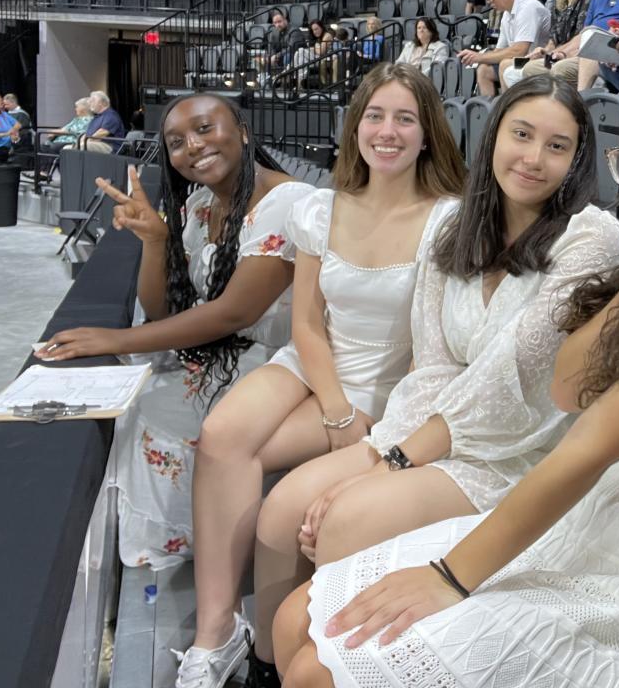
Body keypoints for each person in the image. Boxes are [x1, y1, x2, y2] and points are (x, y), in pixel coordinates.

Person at [275, 58, 619, 688]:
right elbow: (570, 382)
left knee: (322, 653)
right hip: (585, 495)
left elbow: (567, 423)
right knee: (293, 616)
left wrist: (447, 571)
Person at [252, 77, 619, 679]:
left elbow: (514, 375)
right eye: (522, 134)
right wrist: (391, 449)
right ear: (494, 136)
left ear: (577, 159)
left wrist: (393, 463)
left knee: (347, 516)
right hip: (438, 432)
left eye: (557, 146)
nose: (533, 158)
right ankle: (270, 665)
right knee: (283, 509)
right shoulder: (456, 230)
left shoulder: (591, 236)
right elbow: (432, 367)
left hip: (521, 449)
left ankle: (335, 667)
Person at [172, 68, 466, 688]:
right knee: (222, 436)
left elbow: (435, 346)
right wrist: (335, 411)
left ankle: (271, 654)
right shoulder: (321, 207)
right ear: (355, 126)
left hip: (389, 383)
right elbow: (307, 322)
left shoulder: (448, 220)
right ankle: (215, 633)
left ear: (427, 134)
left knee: (274, 490)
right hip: (317, 364)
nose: (387, 132)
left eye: (405, 119)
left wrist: (365, 425)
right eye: (375, 116)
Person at [35, 95, 314, 572]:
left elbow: (234, 313)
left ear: (243, 131)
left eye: (205, 129)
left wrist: (115, 338)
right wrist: (155, 240)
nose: (193, 146)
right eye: (177, 142)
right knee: (130, 388)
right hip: (226, 352)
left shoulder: (289, 202)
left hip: (282, 363)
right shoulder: (203, 204)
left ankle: (198, 541)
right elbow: (163, 309)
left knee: (154, 410)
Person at [499, 0, 593, 89]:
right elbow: (552, 41)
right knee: (506, 65)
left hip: (571, 58)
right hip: (552, 56)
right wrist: (543, 50)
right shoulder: (559, 2)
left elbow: (582, 37)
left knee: (518, 70)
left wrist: (552, 53)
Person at [459, 0, 551, 97]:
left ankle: (508, 108)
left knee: (505, 64)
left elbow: (519, 51)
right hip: (524, 61)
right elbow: (499, 51)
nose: (489, 0)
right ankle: (491, 108)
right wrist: (479, 57)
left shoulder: (528, 7)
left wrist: (478, 57)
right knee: (484, 70)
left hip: (542, 60)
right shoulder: (507, 14)